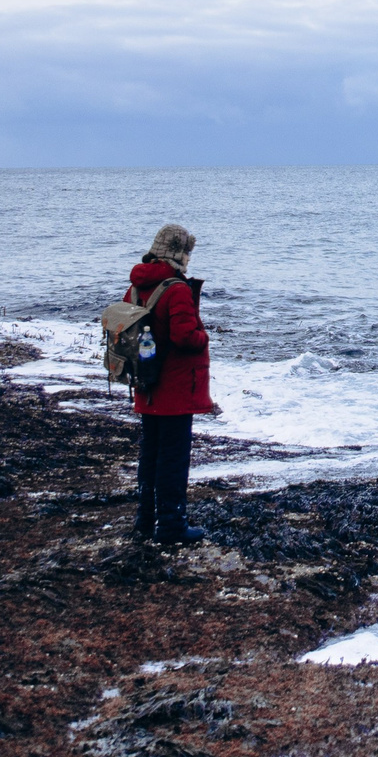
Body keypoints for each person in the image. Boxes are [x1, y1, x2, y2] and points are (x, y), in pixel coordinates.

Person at [126, 222, 213, 545]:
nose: (189, 260)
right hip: (174, 389)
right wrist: (204, 336)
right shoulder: (176, 289)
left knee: (150, 455)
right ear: (179, 253)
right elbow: (185, 337)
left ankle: (145, 519)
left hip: (146, 386)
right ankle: (172, 525)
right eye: (188, 253)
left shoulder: (137, 286)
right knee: (173, 458)